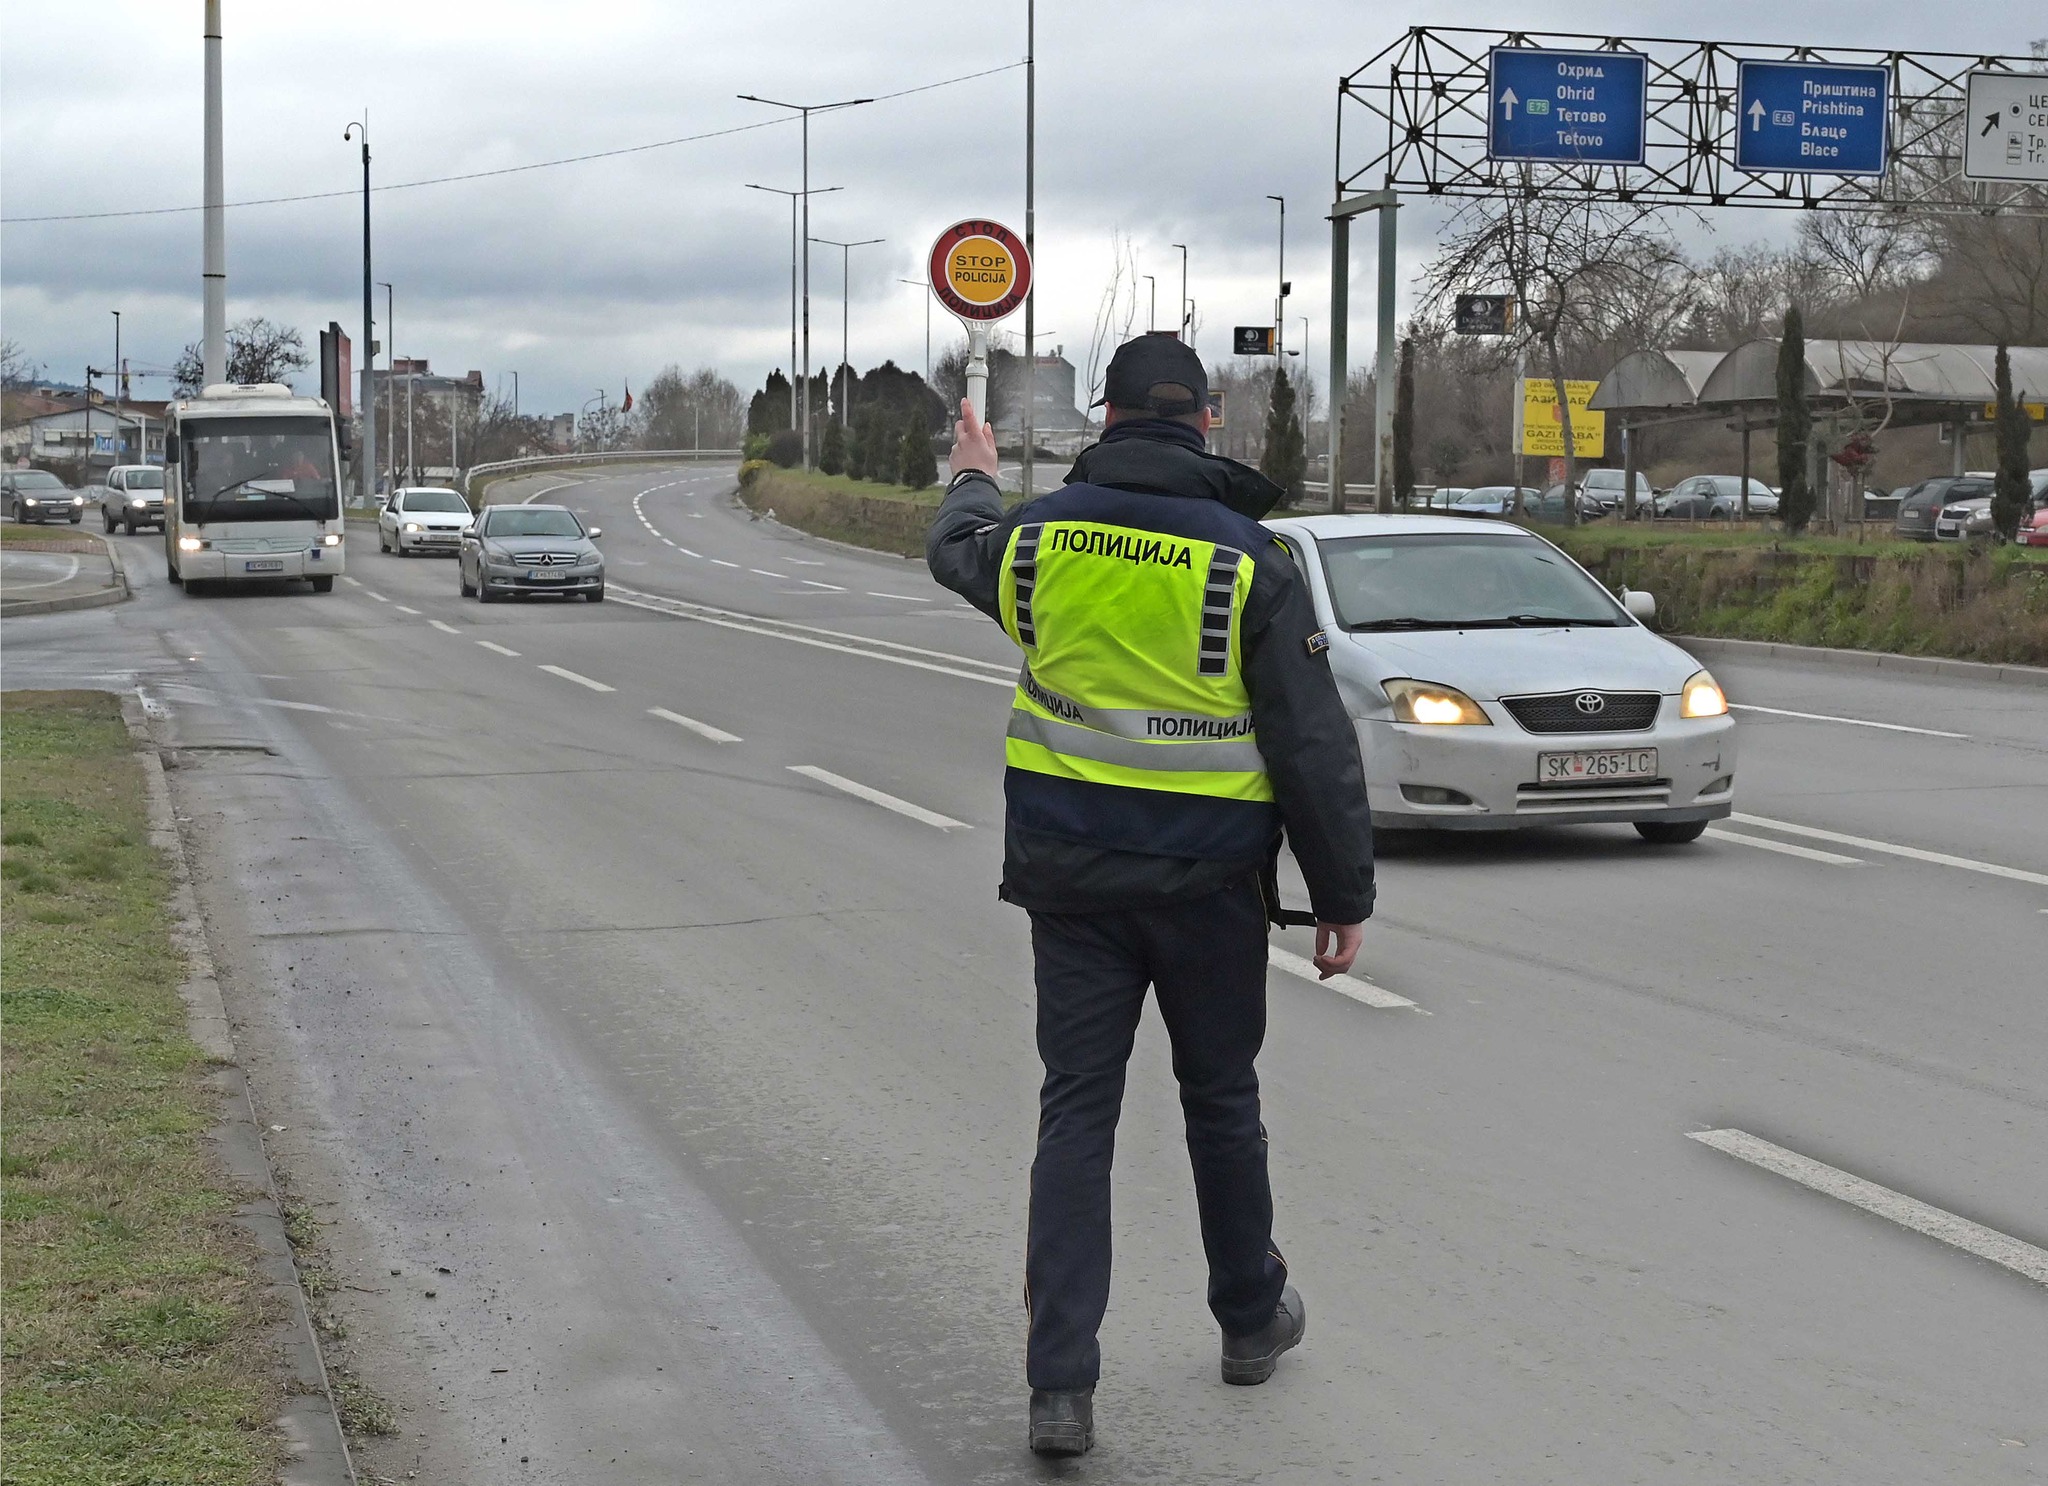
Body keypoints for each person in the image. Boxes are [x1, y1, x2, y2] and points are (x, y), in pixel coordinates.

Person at [925, 334, 1375, 1457]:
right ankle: (1245, 1316)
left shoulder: (1037, 544)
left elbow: (957, 548)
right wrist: (1340, 892)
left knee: (1076, 1110)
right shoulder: (1248, 561)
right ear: (1206, 421)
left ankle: (1059, 1386)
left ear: (1105, 419)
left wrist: (973, 470)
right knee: (1218, 1098)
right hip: (1209, 886)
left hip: (1070, 880)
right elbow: (1309, 742)